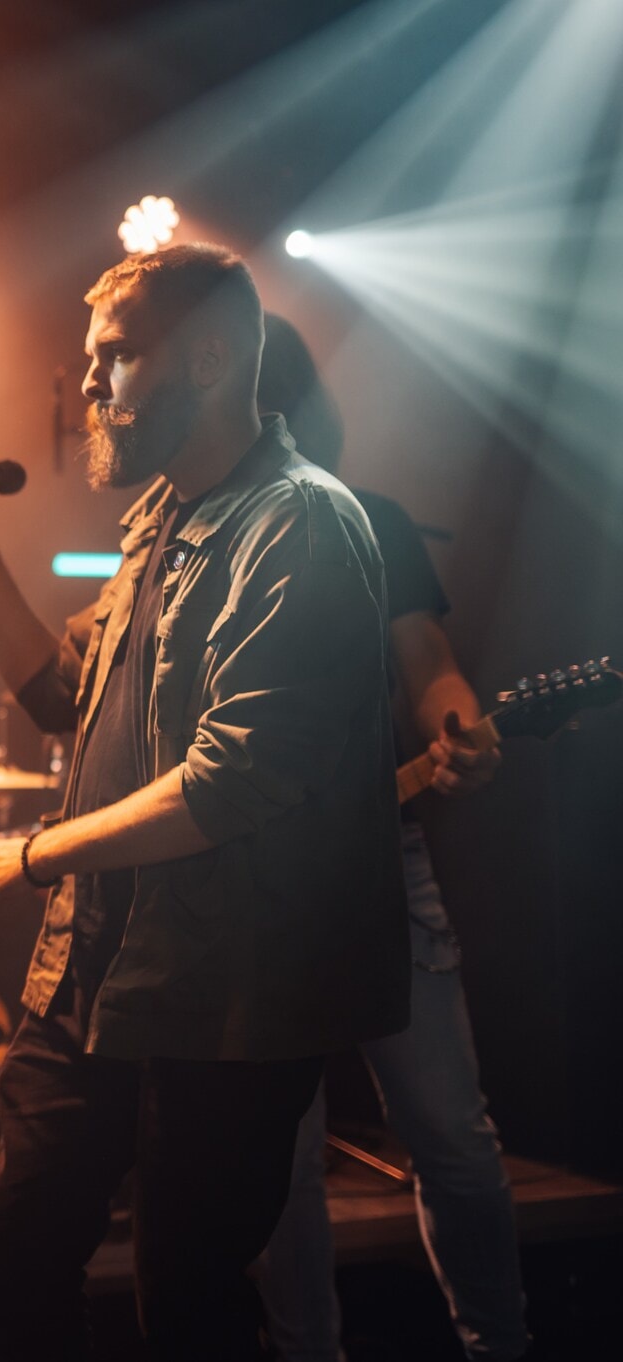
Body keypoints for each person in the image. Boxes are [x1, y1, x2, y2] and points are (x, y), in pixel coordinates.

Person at [0, 244, 409, 1360]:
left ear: (203, 357)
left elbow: (234, 776)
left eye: (113, 356)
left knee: (184, 1300)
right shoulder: (156, 521)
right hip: (87, 977)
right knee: (13, 1258)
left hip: (220, 997)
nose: (90, 384)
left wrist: (40, 854)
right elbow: (57, 694)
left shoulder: (297, 523)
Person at [254, 314, 529, 1361]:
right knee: (273, 1169)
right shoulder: (187, 536)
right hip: (247, 886)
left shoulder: (365, 520)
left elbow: (429, 665)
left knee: (451, 1140)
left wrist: (459, 727)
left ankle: (498, 1345)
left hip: (377, 862)